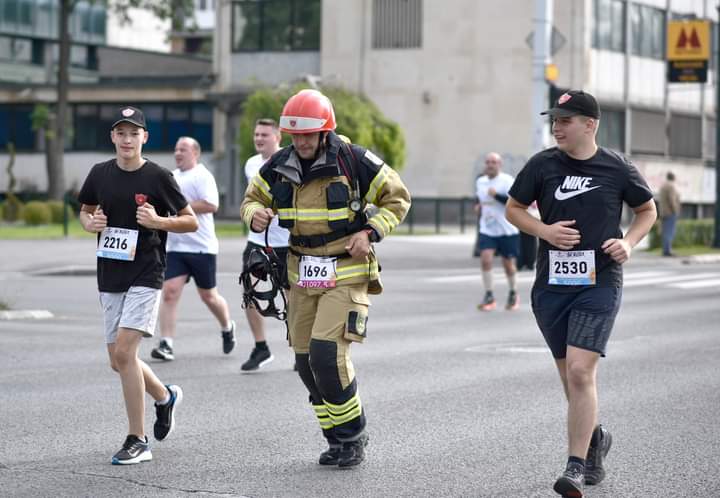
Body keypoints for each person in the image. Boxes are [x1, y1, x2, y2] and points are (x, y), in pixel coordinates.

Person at [240, 89, 411, 468]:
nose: (300, 142)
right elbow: (251, 198)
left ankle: (353, 436)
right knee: (304, 362)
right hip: (301, 273)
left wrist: (369, 232)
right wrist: (254, 214)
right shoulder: (278, 165)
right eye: (294, 135)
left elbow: (397, 198)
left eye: (308, 134)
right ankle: (335, 438)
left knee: (327, 354)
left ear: (324, 132)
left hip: (346, 270)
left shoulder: (354, 160)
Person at [505, 90, 656, 497]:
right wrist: (544, 230)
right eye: (554, 119)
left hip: (599, 282)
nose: (557, 126)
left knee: (579, 371)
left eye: (565, 120)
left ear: (590, 124)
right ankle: (595, 439)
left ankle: (574, 467)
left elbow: (648, 210)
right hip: (552, 286)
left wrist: (630, 243)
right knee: (568, 377)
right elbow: (514, 208)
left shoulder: (617, 168)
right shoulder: (542, 165)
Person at [77, 106, 199, 465]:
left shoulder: (158, 177)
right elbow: (85, 211)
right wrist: (89, 223)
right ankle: (165, 397)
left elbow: (190, 221)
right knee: (117, 360)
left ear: (144, 137)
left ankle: (138, 439)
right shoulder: (99, 173)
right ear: (113, 137)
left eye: (134, 133)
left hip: (146, 272)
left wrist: (159, 220)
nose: (127, 140)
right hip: (110, 274)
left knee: (126, 353)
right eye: (121, 133)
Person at [149, 137, 235, 361]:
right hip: (176, 246)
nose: (178, 153)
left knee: (208, 296)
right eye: (176, 149)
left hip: (201, 248)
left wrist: (180, 207)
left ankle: (227, 326)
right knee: (169, 292)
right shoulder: (172, 177)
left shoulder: (203, 175)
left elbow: (211, 204)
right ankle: (166, 343)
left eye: (183, 149)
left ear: (195, 153)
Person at [239, 119, 289, 371]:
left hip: (286, 243)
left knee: (293, 298)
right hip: (257, 241)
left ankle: (300, 350)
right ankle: (261, 348)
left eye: (265, 135)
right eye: (256, 134)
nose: (259, 139)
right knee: (249, 292)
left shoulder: (290, 162)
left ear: (277, 137)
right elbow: (252, 199)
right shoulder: (251, 164)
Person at [474, 152, 521, 311]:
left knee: (508, 265)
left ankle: (513, 292)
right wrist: (479, 205)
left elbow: (515, 202)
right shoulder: (480, 181)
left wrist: (497, 196)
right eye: (487, 162)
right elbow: (480, 198)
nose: (490, 165)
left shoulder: (507, 181)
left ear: (499, 164)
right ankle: (489, 295)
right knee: (485, 259)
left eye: (493, 162)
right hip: (487, 229)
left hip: (507, 229)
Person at [658, 171, 681, 257]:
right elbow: (672, 199)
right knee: (669, 232)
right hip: (670, 212)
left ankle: (665, 249)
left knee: (665, 232)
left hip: (663, 212)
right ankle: (667, 251)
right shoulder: (671, 186)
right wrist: (676, 210)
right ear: (673, 177)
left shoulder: (663, 186)